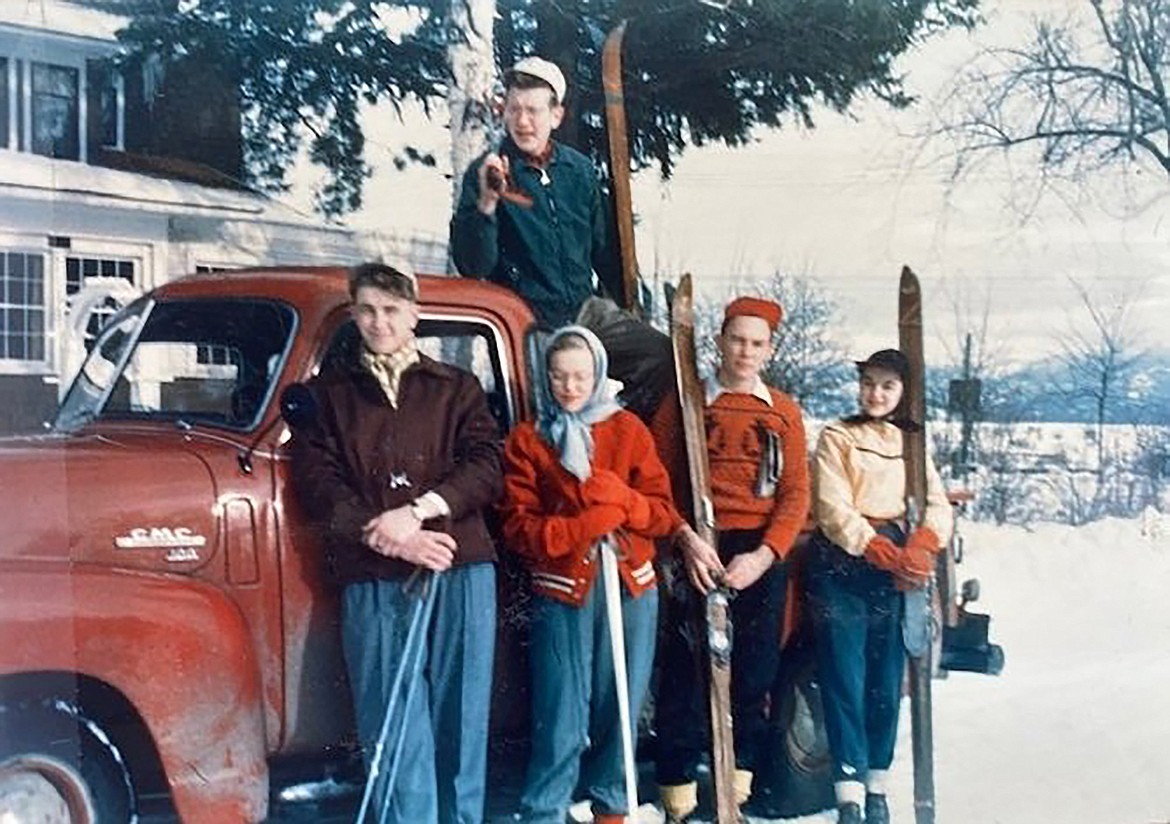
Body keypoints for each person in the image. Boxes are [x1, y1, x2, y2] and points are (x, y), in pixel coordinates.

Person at [290, 262, 503, 824]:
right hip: (374, 569)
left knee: (461, 715)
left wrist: (416, 514)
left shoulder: (455, 387)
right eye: (367, 310)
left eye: (390, 310)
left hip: (459, 564)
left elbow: (485, 466)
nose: (379, 322)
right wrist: (390, 538)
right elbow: (318, 484)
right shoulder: (328, 396)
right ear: (353, 315)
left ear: (413, 313)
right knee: (391, 717)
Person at [501, 326, 683, 824]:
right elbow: (520, 528)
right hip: (564, 590)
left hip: (629, 586)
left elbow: (664, 515)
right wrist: (583, 526)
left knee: (619, 705)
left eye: (580, 376)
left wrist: (625, 503)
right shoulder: (530, 439)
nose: (570, 387)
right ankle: (545, 810)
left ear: (598, 374)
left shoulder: (628, 431)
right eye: (559, 376)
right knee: (561, 712)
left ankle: (612, 808)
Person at [653, 296, 811, 821]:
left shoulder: (783, 411)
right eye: (737, 339)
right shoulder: (685, 402)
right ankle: (677, 799)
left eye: (756, 343)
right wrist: (684, 538)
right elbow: (656, 484)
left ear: (769, 350)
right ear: (719, 341)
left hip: (756, 556)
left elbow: (794, 497)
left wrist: (764, 557)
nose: (745, 351)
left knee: (752, 674)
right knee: (684, 673)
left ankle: (732, 796)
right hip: (697, 548)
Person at [805, 349, 954, 824]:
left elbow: (937, 504)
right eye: (869, 383)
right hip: (845, 563)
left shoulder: (912, 444)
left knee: (886, 680)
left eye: (887, 386)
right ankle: (848, 792)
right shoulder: (837, 436)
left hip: (896, 569)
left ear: (903, 393)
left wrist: (924, 543)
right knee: (845, 676)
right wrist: (876, 548)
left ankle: (877, 789)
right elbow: (833, 507)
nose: (876, 393)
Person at [450, 56, 623, 330]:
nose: (522, 121)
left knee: (657, 352)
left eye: (533, 110)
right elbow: (473, 266)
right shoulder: (487, 172)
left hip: (585, 316)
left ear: (556, 116)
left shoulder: (579, 170)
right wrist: (487, 203)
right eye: (514, 109)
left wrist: (627, 303)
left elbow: (605, 251)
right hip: (526, 321)